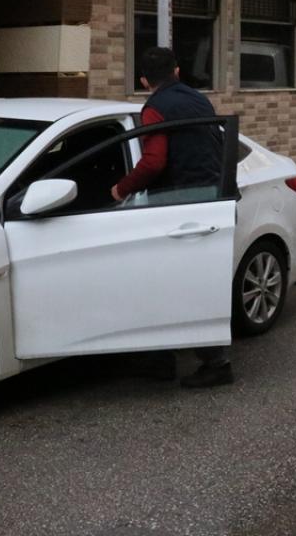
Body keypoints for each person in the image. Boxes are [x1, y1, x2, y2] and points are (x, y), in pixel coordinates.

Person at [112, 46, 232, 388]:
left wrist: (120, 190)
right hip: (211, 195)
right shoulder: (198, 99)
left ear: (144, 80)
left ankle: (214, 364)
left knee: (179, 281)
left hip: (180, 201)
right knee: (184, 279)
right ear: (177, 71)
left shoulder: (154, 108)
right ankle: (160, 358)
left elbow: (153, 162)